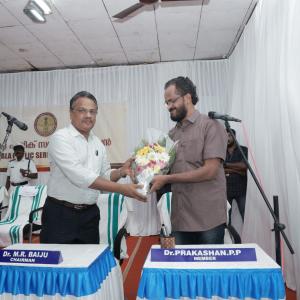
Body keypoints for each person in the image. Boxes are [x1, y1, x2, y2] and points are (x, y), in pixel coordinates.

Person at [40, 91, 146, 244]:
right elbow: (79, 176)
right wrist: (124, 190)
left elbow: (104, 174)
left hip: (89, 215)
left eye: (92, 111)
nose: (88, 115)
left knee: (88, 262)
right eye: (82, 110)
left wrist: (121, 172)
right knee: (60, 265)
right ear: (71, 113)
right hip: (60, 214)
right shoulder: (61, 138)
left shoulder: (98, 143)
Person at [150, 76, 228, 245]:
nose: (169, 107)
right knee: (183, 270)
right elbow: (157, 170)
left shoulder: (211, 126)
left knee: (209, 271)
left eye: (172, 101)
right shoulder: (171, 135)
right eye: (166, 103)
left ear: (187, 97)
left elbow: (210, 171)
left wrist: (167, 179)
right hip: (181, 219)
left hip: (209, 219)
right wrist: (137, 168)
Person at [224, 129, 248, 223]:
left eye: (229, 136)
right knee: (225, 219)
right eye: (225, 136)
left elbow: (244, 166)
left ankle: (247, 237)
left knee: (245, 217)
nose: (227, 138)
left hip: (241, 189)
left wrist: (226, 165)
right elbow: (218, 168)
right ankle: (228, 238)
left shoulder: (243, 150)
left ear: (234, 137)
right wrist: (237, 170)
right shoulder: (220, 151)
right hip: (225, 189)